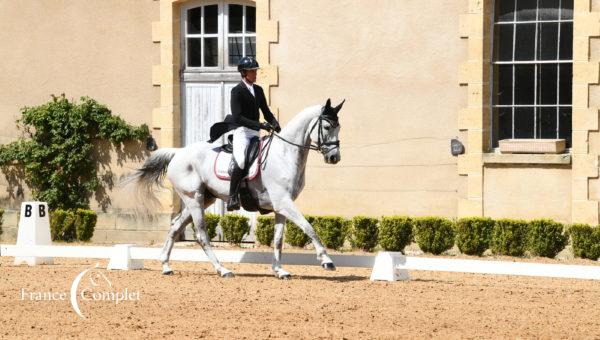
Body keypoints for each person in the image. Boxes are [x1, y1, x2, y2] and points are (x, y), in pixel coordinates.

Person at [223, 56, 281, 211]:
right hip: (242, 132)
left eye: (255, 70)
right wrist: (260, 124)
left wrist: (276, 125)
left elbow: (266, 112)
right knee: (241, 161)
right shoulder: (237, 91)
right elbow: (238, 117)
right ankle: (232, 197)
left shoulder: (258, 90)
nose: (255, 73)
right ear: (243, 72)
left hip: (255, 133)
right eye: (252, 71)